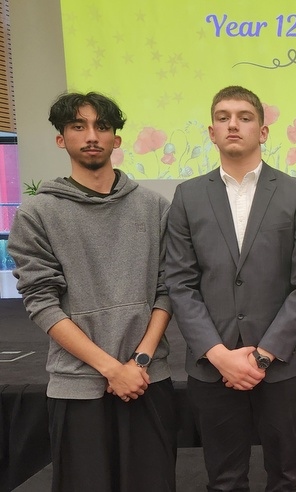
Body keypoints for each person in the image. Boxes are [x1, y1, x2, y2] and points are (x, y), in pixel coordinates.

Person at [7, 92, 176, 491]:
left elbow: (167, 289)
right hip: (77, 386)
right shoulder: (37, 213)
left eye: (102, 126)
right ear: (61, 138)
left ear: (116, 139)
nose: (91, 136)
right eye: (78, 126)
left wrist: (139, 361)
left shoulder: (154, 207)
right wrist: (112, 369)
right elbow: (42, 302)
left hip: (147, 379)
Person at [165, 85, 296, 491]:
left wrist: (263, 355)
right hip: (212, 365)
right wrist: (220, 356)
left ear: (263, 131)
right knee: (224, 480)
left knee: (288, 477)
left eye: (244, 117)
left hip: (283, 364)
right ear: (211, 132)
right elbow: (180, 284)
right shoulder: (187, 196)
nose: (232, 124)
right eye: (223, 117)